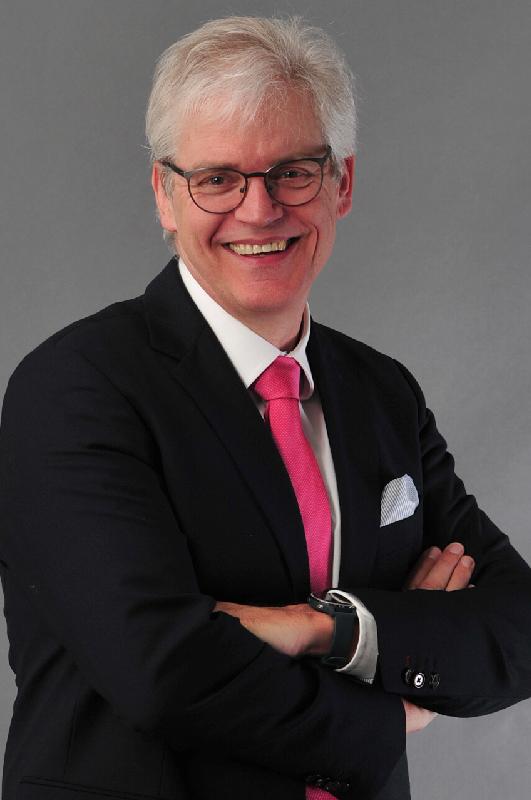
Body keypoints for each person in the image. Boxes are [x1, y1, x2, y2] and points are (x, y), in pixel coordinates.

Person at [1, 15, 531, 800]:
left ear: (341, 183)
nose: (258, 210)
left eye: (293, 172)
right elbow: (164, 671)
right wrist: (390, 713)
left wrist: (334, 629)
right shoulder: (77, 387)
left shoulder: (381, 392)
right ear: (165, 196)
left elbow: (517, 625)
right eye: (217, 178)